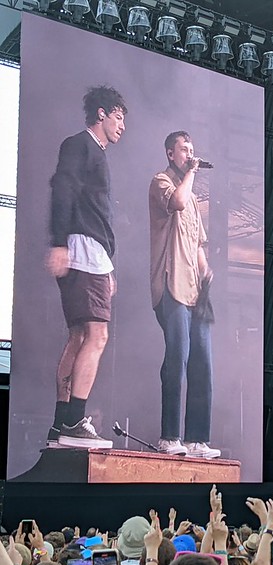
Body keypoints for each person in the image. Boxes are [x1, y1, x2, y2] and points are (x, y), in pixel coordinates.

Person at [46, 85, 127, 450]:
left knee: (80, 335)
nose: (122, 125)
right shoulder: (80, 144)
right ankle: (76, 422)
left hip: (93, 252)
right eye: (119, 116)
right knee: (97, 336)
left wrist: (108, 266)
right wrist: (60, 242)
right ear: (102, 113)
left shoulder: (96, 153)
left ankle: (60, 424)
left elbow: (97, 212)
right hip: (83, 248)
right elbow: (63, 189)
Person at [149, 131, 219, 458]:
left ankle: (197, 439)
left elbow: (198, 242)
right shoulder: (161, 182)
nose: (190, 154)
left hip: (195, 289)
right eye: (184, 150)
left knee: (203, 362)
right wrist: (191, 171)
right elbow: (175, 202)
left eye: (192, 149)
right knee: (178, 356)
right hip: (171, 283)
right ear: (170, 153)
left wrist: (207, 272)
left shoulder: (193, 199)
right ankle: (169, 437)